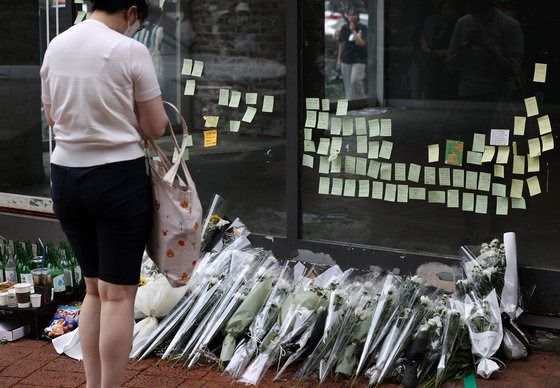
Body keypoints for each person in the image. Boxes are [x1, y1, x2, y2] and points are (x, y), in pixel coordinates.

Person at [40, 1, 168, 387]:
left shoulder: (57, 45)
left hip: (66, 177)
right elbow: (156, 126)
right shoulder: (130, 49)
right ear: (131, 12)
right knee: (118, 296)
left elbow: (51, 117)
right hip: (117, 178)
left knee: (93, 288)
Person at [445, 0, 524, 101]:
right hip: (468, 92)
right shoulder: (462, 23)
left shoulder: (509, 25)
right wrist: (467, 46)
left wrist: (487, 46)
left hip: (499, 94)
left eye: (482, 13)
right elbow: (450, 65)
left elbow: (515, 70)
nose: (478, 19)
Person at [336, 8, 367, 99]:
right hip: (346, 58)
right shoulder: (344, 28)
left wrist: (353, 31)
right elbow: (341, 44)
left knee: (355, 81)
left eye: (353, 14)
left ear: (357, 15)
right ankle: (350, 104)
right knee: (348, 84)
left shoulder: (363, 28)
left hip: (359, 59)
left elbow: (362, 43)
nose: (351, 17)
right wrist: (338, 59)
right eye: (349, 15)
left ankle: (360, 99)